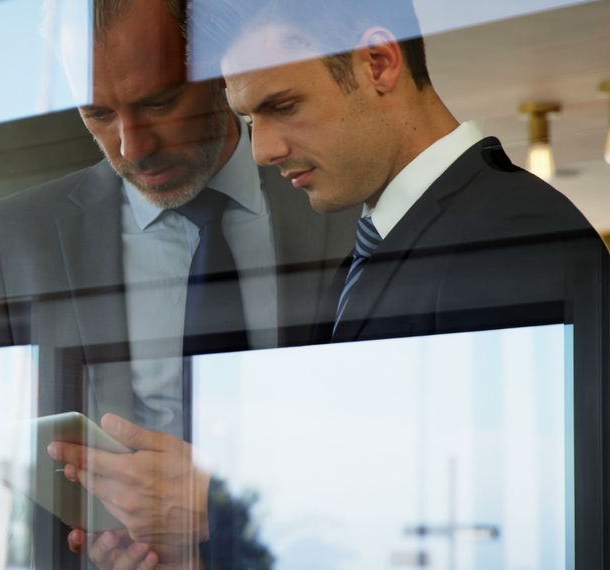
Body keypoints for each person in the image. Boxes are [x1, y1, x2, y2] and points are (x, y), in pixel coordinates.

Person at [49, 0, 609, 567]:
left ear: (379, 62)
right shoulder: (393, 241)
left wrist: (210, 504)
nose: (263, 150)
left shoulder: (508, 236)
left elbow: (511, 521)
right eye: (248, 122)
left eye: (283, 106)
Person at [0, 0, 355, 567]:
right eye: (97, 114)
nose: (132, 146)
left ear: (222, 70)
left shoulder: (349, 210)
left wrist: (208, 508)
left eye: (159, 102)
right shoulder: (15, 237)